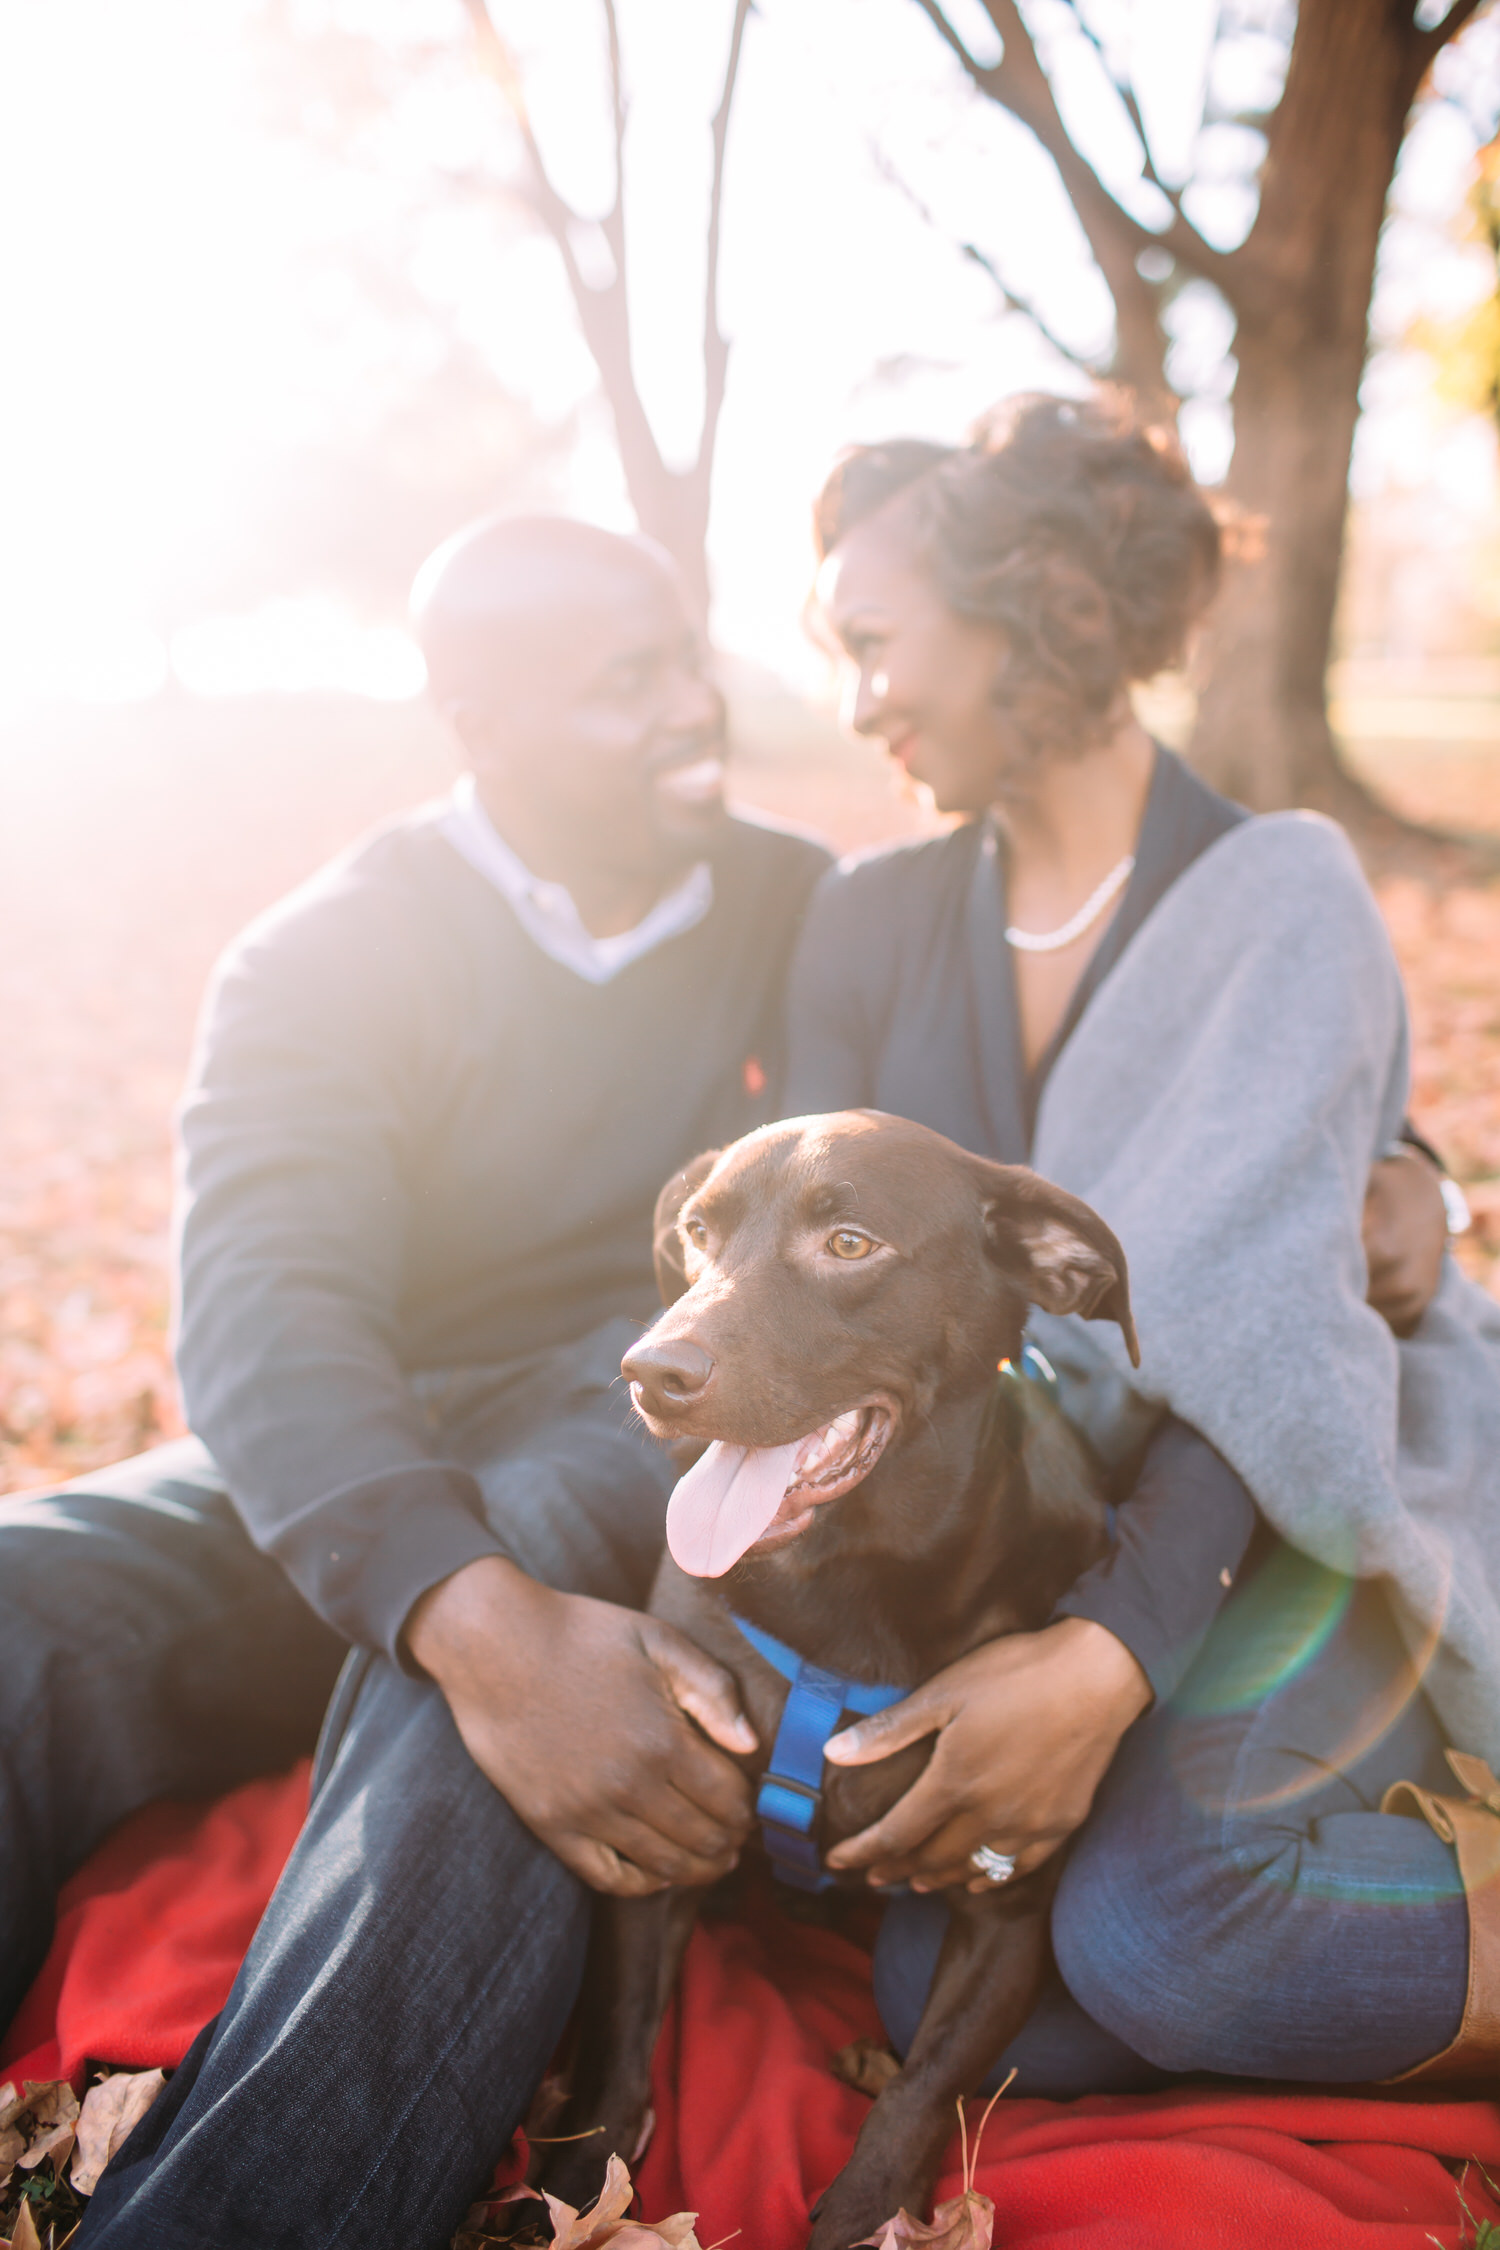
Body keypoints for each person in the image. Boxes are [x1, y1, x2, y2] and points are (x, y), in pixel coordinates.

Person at [1, 517, 828, 2250]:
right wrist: (473, 1621)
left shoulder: (801, 912)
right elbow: (265, 1315)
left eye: (690, 655)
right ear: (481, 720)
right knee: (27, 1589)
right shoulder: (334, 947)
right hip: (365, 1434)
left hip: (638, 1414)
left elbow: (1034, 1073)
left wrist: (1395, 1153)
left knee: (529, 1534)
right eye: (627, 684)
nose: (697, 705)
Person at [781, 394, 1500, 2094]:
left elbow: (1254, 1331)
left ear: (1036, 607)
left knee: (1164, 1930)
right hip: (1006, 1536)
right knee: (962, 2005)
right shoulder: (868, 927)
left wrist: (1111, 1653)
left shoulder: (1277, 893)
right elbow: (793, 1296)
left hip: (1288, 1511)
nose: (858, 698)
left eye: (878, 642)